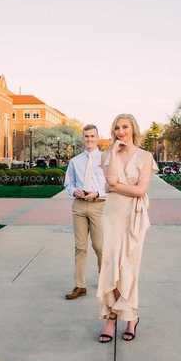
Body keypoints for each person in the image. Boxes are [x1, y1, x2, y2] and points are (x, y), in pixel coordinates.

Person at [97, 113, 158, 343]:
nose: (120, 131)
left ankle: (131, 317)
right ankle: (111, 318)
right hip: (112, 215)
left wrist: (116, 187)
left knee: (129, 267)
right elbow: (110, 181)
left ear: (133, 129)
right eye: (116, 128)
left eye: (124, 127)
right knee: (111, 265)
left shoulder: (145, 156)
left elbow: (140, 190)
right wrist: (113, 153)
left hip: (134, 216)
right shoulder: (108, 155)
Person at [62, 124, 107, 300]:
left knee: (100, 247)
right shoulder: (75, 161)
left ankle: (105, 283)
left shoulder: (105, 159)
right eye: (86, 136)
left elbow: (111, 185)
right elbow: (68, 183)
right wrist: (75, 191)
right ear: (83, 138)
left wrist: (98, 193)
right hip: (79, 206)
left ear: (97, 137)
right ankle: (80, 286)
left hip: (99, 205)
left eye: (92, 136)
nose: (89, 139)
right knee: (80, 247)